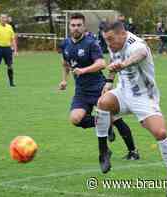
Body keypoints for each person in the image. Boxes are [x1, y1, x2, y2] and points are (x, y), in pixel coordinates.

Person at [97, 21, 167, 197]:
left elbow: (140, 54)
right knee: (102, 103)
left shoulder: (137, 45)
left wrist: (124, 64)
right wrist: (110, 81)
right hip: (124, 92)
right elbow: (114, 61)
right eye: (106, 40)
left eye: (110, 39)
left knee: (161, 133)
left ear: (122, 33)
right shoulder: (114, 44)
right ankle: (103, 151)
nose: (109, 44)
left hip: (144, 97)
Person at [58, 13, 140, 161]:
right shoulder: (65, 44)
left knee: (115, 118)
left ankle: (133, 151)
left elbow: (101, 64)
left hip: (98, 87)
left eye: (78, 25)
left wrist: (83, 70)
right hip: (81, 91)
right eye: (73, 25)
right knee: (76, 119)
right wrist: (64, 80)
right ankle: (105, 125)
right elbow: (65, 64)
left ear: (84, 27)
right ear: (69, 26)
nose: (75, 28)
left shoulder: (91, 43)